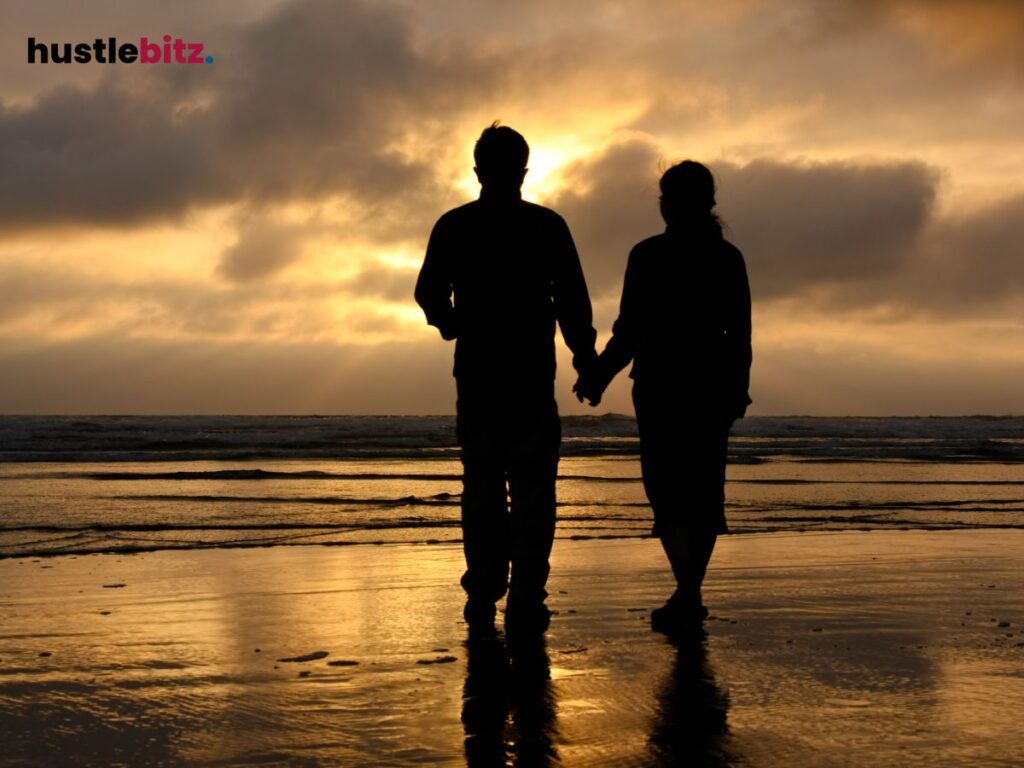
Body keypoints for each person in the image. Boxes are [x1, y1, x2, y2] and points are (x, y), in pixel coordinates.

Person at [415, 123, 598, 635]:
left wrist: (450, 322)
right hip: (529, 375)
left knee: (484, 485)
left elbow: (428, 291)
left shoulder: (456, 225)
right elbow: (573, 305)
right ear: (522, 170)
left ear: (479, 170)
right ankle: (524, 593)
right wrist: (586, 360)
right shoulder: (545, 226)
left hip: (480, 374)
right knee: (533, 485)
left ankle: (488, 586)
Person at [574, 160, 752, 633]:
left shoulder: (648, 255)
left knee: (668, 491)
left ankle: (688, 592)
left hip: (659, 386)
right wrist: (738, 388)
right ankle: (689, 591)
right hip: (710, 387)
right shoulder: (727, 258)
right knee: (703, 490)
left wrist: (598, 374)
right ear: (709, 202)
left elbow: (629, 329)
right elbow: (740, 336)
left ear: (666, 204)